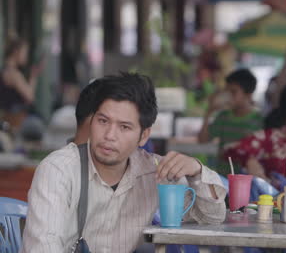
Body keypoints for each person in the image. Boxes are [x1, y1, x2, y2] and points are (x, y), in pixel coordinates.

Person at [21, 72, 226, 253]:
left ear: (144, 136)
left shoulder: (154, 172)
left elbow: (212, 218)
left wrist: (197, 172)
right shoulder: (59, 170)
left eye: (124, 127)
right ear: (91, 121)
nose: (109, 135)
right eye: (103, 121)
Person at [198, 68, 263, 175]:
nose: (229, 96)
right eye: (227, 91)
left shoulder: (258, 120)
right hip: (223, 178)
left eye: (233, 92)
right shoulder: (223, 117)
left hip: (248, 180)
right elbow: (202, 140)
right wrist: (209, 112)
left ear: (248, 94)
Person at [0, 36, 43, 130]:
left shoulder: (5, 70)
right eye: (24, 52)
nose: (26, 56)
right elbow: (30, 97)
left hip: (8, 118)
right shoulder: (14, 74)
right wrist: (33, 77)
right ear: (16, 52)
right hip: (17, 120)